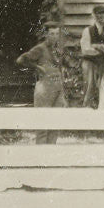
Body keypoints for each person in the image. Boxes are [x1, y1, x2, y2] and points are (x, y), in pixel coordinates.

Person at [15, 11, 67, 144]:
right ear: (46, 34)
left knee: (55, 123)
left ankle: (50, 155)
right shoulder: (40, 48)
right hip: (44, 90)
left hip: (57, 88)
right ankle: (40, 157)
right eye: (51, 34)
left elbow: (59, 67)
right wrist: (37, 67)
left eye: (56, 34)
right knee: (43, 123)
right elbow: (21, 60)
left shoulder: (58, 50)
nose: (54, 37)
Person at [80, 5, 104, 109]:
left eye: (102, 13)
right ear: (94, 15)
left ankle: (103, 108)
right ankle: (87, 108)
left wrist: (98, 47)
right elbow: (85, 49)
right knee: (89, 85)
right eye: (97, 14)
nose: (100, 16)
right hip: (90, 62)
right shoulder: (88, 30)